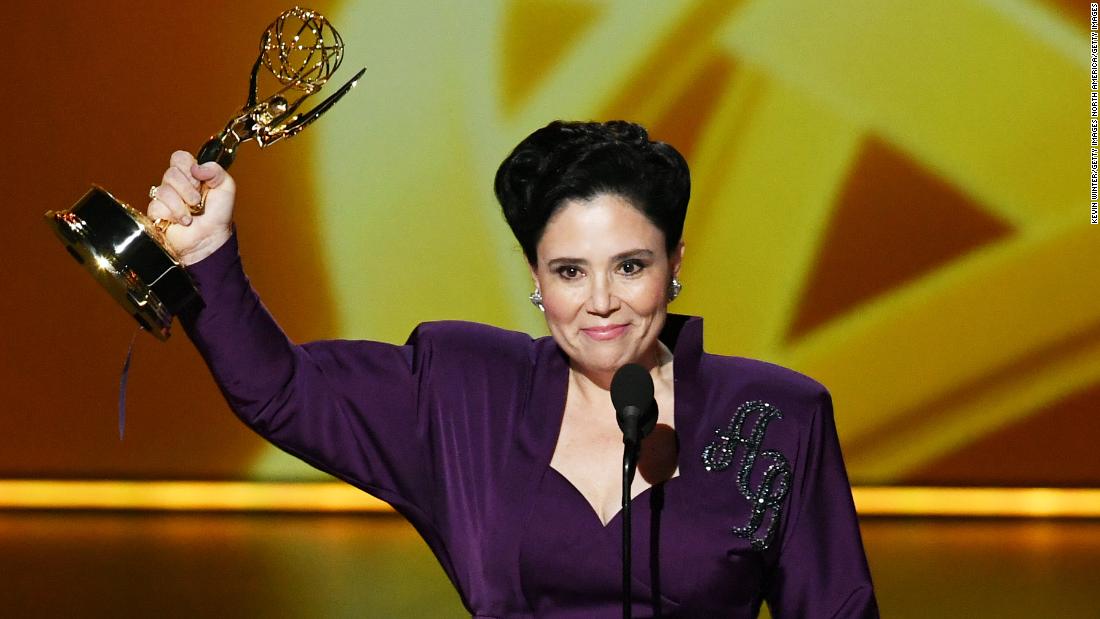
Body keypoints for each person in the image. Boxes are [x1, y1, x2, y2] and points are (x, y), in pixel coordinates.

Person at [148, 120, 878, 618]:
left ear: (675, 265)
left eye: (630, 266)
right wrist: (209, 255)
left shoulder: (779, 417)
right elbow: (281, 391)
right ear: (535, 275)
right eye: (569, 270)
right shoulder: (463, 392)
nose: (601, 302)